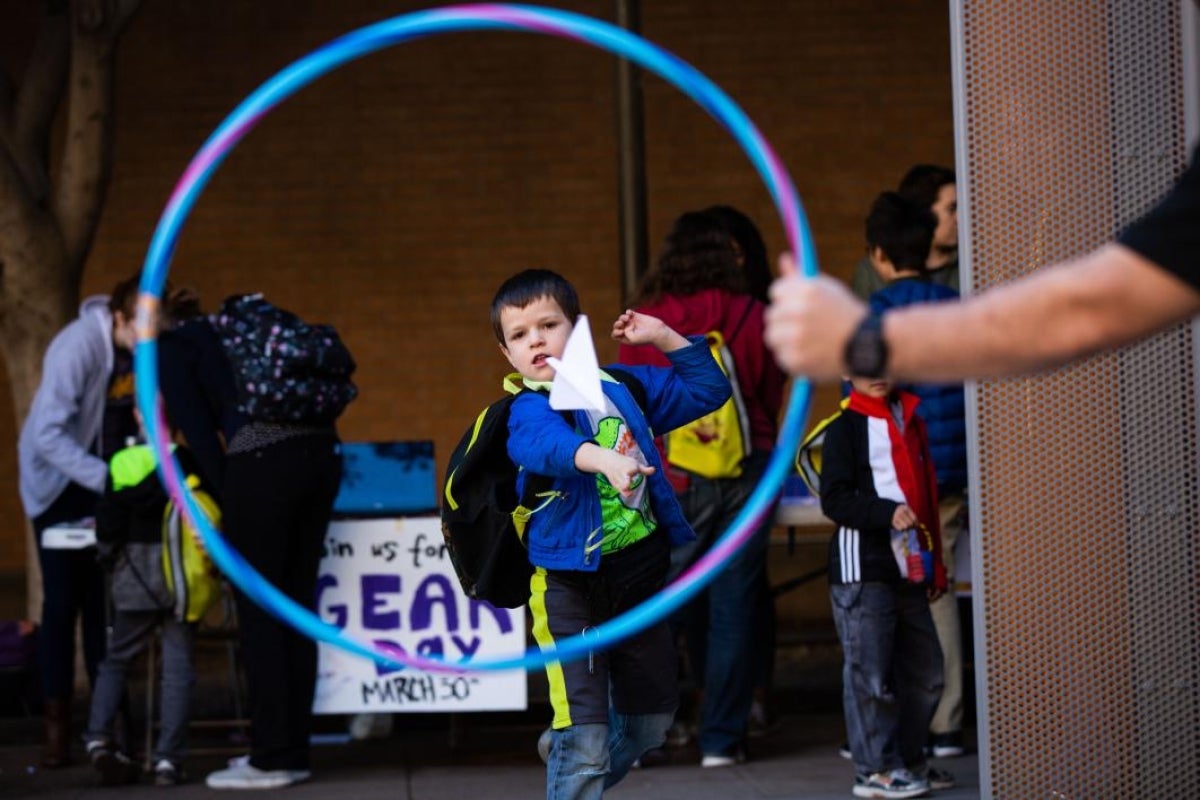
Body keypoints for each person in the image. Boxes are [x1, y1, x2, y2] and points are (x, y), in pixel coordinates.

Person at [492, 268, 730, 800]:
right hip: (567, 588)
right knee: (586, 738)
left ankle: (576, 758)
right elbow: (545, 447)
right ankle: (577, 754)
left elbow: (710, 390)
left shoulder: (623, 387)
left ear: (576, 329)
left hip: (638, 578)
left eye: (548, 325)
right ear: (508, 355)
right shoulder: (525, 408)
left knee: (651, 725)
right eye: (519, 335)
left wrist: (664, 337)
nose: (535, 340)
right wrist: (606, 461)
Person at [764, 145, 1200, 383]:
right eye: (952, 208)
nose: (962, 219)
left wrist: (863, 340)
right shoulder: (872, 278)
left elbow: (1090, 308)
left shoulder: (973, 271)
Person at [618, 210, 786, 766]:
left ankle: (650, 733)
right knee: (735, 603)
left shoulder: (645, 321)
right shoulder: (755, 314)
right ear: (731, 257)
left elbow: (627, 407)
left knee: (661, 599)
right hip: (747, 473)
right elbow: (767, 394)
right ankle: (721, 739)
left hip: (672, 475)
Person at [161, 297, 347, 791]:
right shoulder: (241, 331)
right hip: (322, 456)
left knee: (261, 615)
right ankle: (294, 749)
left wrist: (226, 502)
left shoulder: (172, 347)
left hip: (262, 466)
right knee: (295, 608)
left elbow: (200, 435)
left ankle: (271, 756)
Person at [18, 275, 151, 767]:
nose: (150, 335)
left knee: (103, 605)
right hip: (58, 484)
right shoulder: (77, 347)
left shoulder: (139, 354)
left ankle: (108, 730)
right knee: (63, 603)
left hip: (99, 478)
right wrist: (107, 480)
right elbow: (48, 434)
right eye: (145, 323)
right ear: (120, 317)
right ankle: (58, 733)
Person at [862, 192, 968, 759]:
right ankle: (949, 719)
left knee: (906, 594)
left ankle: (920, 719)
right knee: (941, 586)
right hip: (955, 470)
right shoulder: (956, 303)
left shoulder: (876, 314)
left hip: (900, 476)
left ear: (878, 254)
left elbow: (861, 398)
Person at [817, 371, 953, 799]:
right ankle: (874, 770)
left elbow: (926, 493)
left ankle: (909, 761)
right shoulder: (844, 428)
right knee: (869, 673)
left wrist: (936, 567)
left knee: (928, 670)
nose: (877, 374)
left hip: (908, 564)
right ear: (845, 371)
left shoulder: (907, 417)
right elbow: (834, 499)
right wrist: (884, 512)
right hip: (863, 567)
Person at [84, 414, 210, 787]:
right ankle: (168, 760)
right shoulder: (186, 461)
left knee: (116, 660)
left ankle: (98, 737)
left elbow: (107, 521)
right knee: (178, 668)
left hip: (132, 576)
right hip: (179, 577)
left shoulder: (121, 462)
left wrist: (108, 559)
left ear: (139, 415)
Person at [850, 165, 959, 300]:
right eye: (951, 209)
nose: (960, 218)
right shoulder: (870, 271)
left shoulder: (970, 266)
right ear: (923, 212)